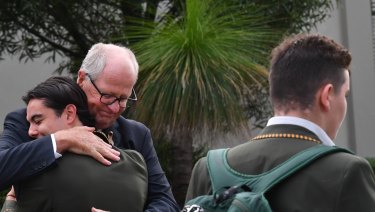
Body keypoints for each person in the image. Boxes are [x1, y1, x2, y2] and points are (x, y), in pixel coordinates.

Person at [184, 34, 375, 211]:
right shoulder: (347, 171)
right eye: (345, 95)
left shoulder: (207, 169)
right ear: (326, 96)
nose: (345, 103)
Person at [0, 43, 179, 211]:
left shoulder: (136, 134)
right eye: (107, 96)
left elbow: (166, 202)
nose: (115, 108)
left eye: (123, 99)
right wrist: (62, 140)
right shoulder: (31, 123)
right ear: (82, 78)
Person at [1, 76, 148, 212]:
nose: (30, 132)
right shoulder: (136, 163)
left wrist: (11, 202)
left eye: (38, 120)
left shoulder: (34, 176)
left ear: (70, 113)